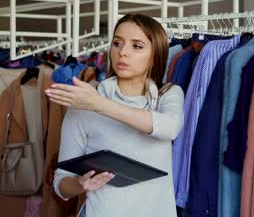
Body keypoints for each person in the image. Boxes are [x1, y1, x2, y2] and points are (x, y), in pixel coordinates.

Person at [46, 14, 184, 217]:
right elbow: (61, 184)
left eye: (137, 46)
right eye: (117, 43)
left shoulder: (167, 94)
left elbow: (169, 128)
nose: (123, 52)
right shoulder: (83, 104)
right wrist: (80, 183)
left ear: (155, 56)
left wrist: (99, 104)